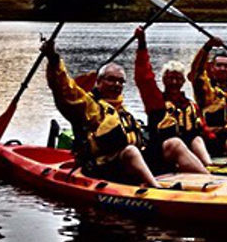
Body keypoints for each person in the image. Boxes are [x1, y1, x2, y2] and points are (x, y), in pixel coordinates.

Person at [41, 39, 160, 188]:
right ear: (98, 82)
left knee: (171, 144)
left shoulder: (123, 111)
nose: (117, 85)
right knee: (130, 151)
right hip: (97, 168)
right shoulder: (88, 106)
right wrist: (53, 59)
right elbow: (66, 90)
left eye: (120, 82)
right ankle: (157, 189)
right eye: (111, 80)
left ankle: (196, 179)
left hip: (122, 165)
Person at [134, 26, 211, 172]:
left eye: (177, 79)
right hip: (161, 153)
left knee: (197, 139)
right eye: (170, 79)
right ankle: (207, 176)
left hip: (187, 150)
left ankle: (209, 166)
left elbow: (204, 131)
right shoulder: (156, 102)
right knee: (176, 143)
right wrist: (142, 44)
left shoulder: (191, 105)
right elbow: (144, 78)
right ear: (163, 80)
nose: (174, 83)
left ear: (183, 82)